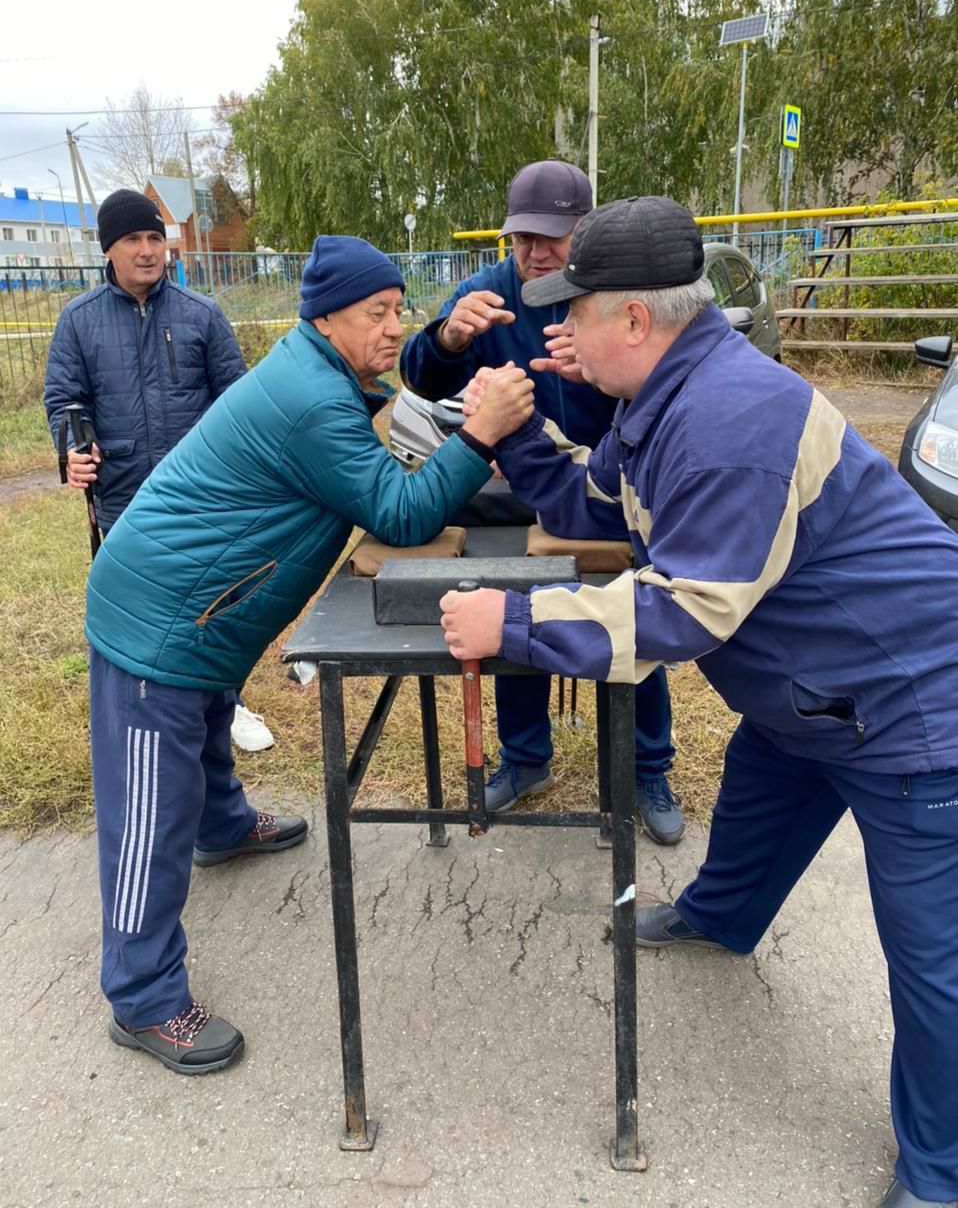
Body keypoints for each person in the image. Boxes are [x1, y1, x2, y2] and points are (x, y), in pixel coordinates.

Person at [439, 195, 958, 1208]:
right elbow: (600, 506)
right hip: (808, 694)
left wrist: (512, 623)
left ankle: (939, 1173)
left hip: (910, 704)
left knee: (931, 962)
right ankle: (723, 917)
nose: (560, 327)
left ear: (634, 319)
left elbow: (681, 611)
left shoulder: (728, 419)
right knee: (762, 793)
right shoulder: (664, 400)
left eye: (574, 308)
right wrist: (511, 438)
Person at [83, 234, 535, 1077]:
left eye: (399, 310)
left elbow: (395, 460)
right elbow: (400, 514)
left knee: (208, 710)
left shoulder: (330, 375)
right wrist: (479, 435)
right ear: (325, 316)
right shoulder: (314, 401)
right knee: (148, 805)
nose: (392, 328)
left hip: (202, 614)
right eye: (377, 313)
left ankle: (220, 825)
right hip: (159, 618)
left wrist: (460, 436)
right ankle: (142, 997)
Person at [402, 159, 681, 844]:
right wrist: (448, 338)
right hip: (516, 492)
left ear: (583, 228)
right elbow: (414, 377)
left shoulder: (611, 293)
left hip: (613, 490)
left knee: (635, 622)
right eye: (522, 236)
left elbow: (660, 384)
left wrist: (601, 377)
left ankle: (647, 768)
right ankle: (526, 759)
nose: (533, 252)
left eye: (550, 237)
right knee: (518, 615)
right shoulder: (484, 295)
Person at [43, 189, 273, 754]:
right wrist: (71, 449)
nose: (147, 251)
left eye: (154, 239)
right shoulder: (78, 321)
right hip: (121, 498)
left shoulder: (202, 315)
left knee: (212, 611)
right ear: (109, 250)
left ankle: (227, 701)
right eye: (133, 240)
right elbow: (65, 401)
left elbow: (237, 404)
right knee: (138, 616)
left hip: (202, 502)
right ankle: (138, 711)